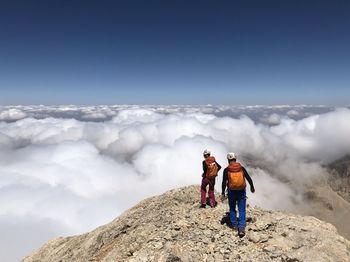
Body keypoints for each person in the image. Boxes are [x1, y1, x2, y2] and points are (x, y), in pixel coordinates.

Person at [221, 152, 255, 237]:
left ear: (228, 160)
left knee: (232, 208)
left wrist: (222, 192)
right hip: (241, 191)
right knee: (242, 209)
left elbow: (224, 182)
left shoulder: (227, 170)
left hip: (231, 191)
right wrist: (252, 187)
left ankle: (234, 225)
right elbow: (248, 178)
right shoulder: (241, 168)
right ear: (235, 159)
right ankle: (242, 227)